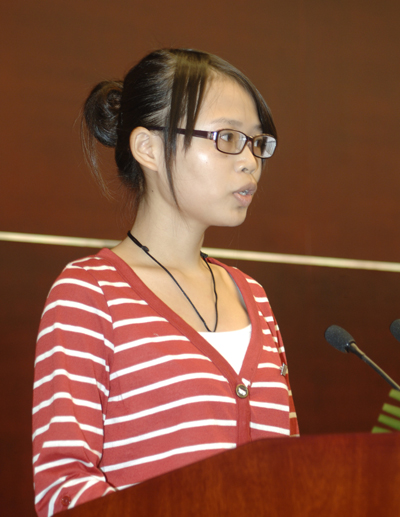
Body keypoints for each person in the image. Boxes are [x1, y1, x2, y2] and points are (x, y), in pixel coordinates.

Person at [32, 48, 299, 516]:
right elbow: (62, 488)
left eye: (257, 142)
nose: (250, 162)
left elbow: (294, 472)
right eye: (227, 137)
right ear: (149, 148)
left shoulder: (253, 295)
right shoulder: (89, 294)